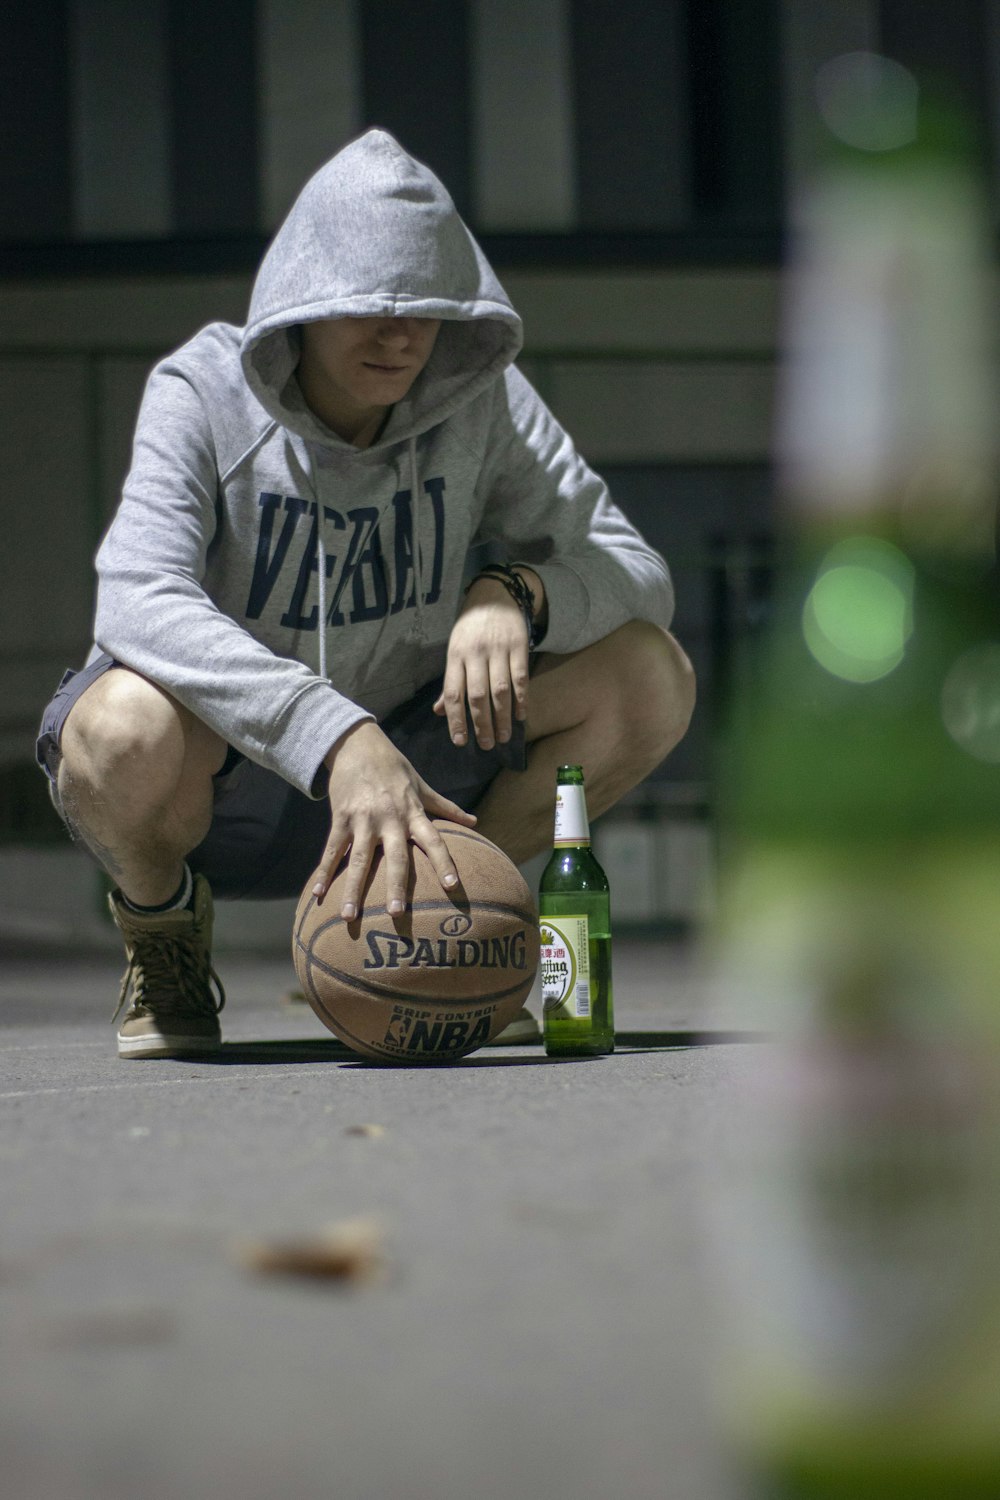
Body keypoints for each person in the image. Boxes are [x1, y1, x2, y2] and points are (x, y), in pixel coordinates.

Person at [36, 129, 695, 1059]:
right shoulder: (204, 391)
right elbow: (137, 597)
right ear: (301, 306)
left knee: (648, 673)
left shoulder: (483, 399)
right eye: (367, 308)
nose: (400, 335)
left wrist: (512, 594)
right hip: (230, 774)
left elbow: (636, 568)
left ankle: (459, 916)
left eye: (424, 309)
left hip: (426, 775)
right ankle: (164, 930)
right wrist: (334, 735)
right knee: (118, 726)